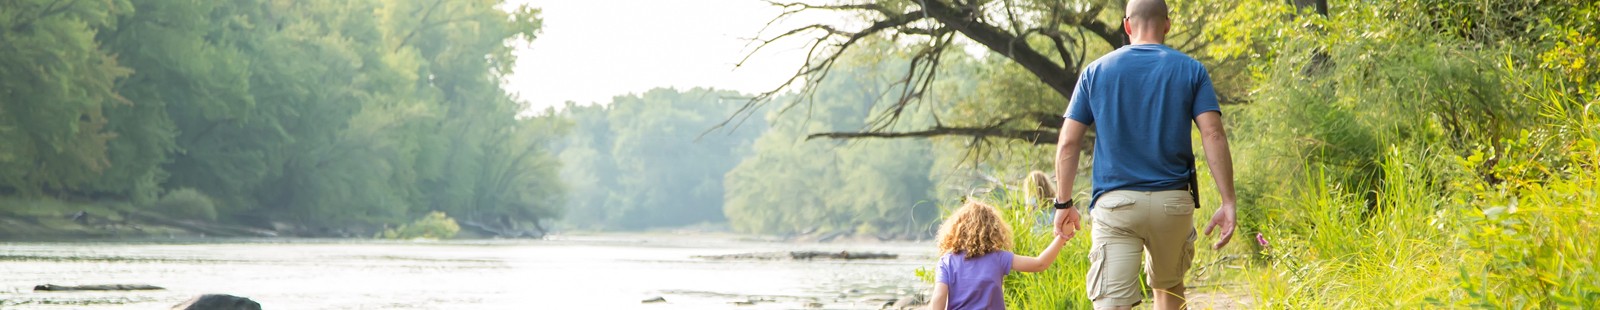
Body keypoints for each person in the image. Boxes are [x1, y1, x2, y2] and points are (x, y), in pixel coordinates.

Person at [1048, 0, 1240, 309]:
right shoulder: (1191, 70)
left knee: (1112, 302)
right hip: (1172, 205)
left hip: (1116, 205)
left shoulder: (1095, 72)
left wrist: (1064, 202)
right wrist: (1228, 201)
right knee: (1168, 289)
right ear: (1167, 24)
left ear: (1126, 25)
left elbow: (1069, 143)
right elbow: (1213, 133)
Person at [928, 200, 1066, 310]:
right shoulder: (999, 258)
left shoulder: (947, 261)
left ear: (956, 229)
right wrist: (1062, 237)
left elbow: (939, 298)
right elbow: (1040, 263)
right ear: (993, 230)